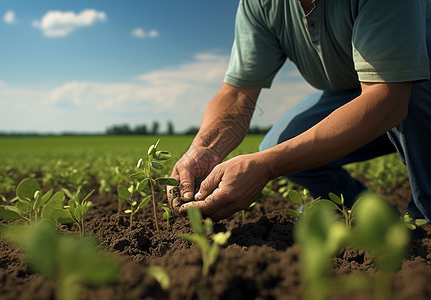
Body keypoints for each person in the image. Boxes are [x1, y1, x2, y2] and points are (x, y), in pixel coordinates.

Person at [168, 0, 431, 222]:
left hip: (411, 83)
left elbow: (389, 97)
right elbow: (237, 93)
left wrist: (269, 166)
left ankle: (424, 223)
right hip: (361, 91)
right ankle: (376, 221)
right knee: (280, 144)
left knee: (412, 89)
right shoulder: (261, 4)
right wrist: (205, 149)